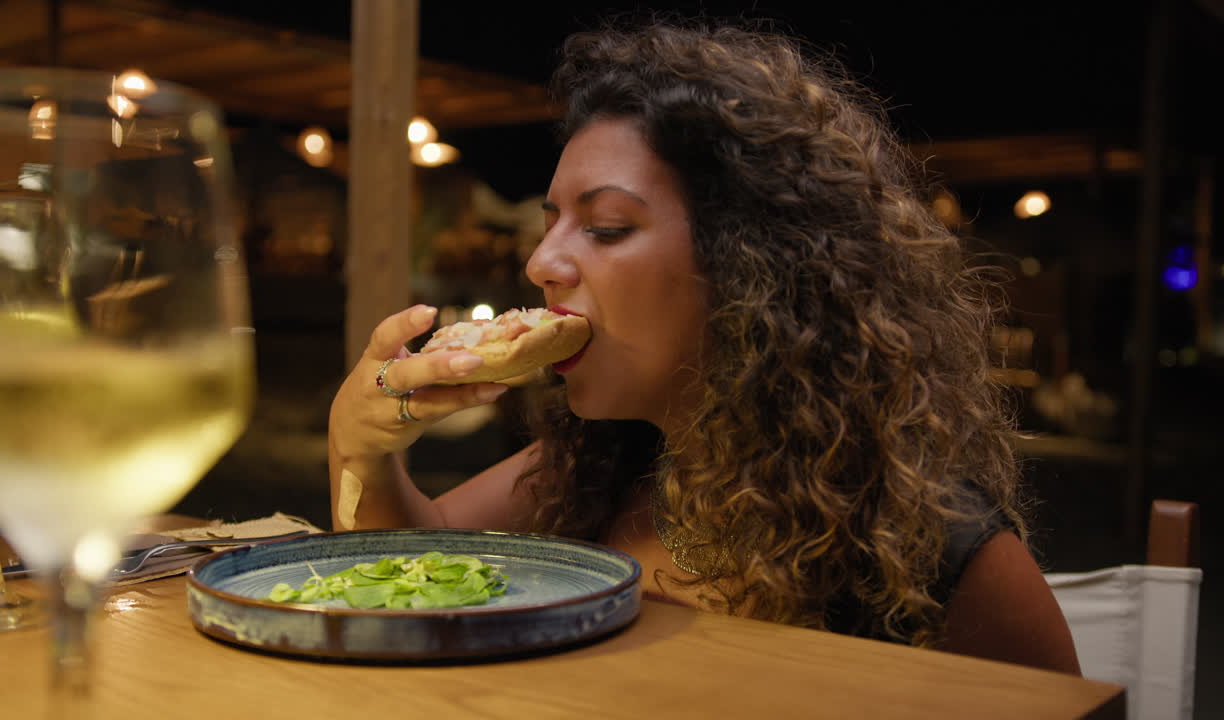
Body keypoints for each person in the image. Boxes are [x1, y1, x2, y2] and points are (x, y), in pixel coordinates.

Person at [328, 20, 1080, 673]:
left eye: (607, 226)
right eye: (551, 218)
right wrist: (363, 446)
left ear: (750, 263)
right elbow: (404, 584)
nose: (540, 262)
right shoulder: (598, 468)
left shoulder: (930, 547)